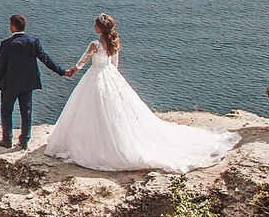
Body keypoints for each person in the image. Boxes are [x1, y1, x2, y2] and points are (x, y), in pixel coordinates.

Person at [47, 14, 237, 172]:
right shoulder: (113, 42)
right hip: (110, 76)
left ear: (100, 28)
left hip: (96, 76)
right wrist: (113, 77)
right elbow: (115, 64)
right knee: (115, 111)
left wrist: (71, 71)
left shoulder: (94, 45)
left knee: (91, 110)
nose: (93, 26)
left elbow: (83, 61)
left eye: (95, 24)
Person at [0, 14, 66, 149]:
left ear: (13, 27)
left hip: (10, 84)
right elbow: (45, 59)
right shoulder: (33, 42)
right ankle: (24, 140)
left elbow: (0, 65)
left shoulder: (6, 44)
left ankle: (7, 140)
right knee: (26, 111)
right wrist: (62, 71)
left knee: (7, 110)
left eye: (10, 25)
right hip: (28, 83)